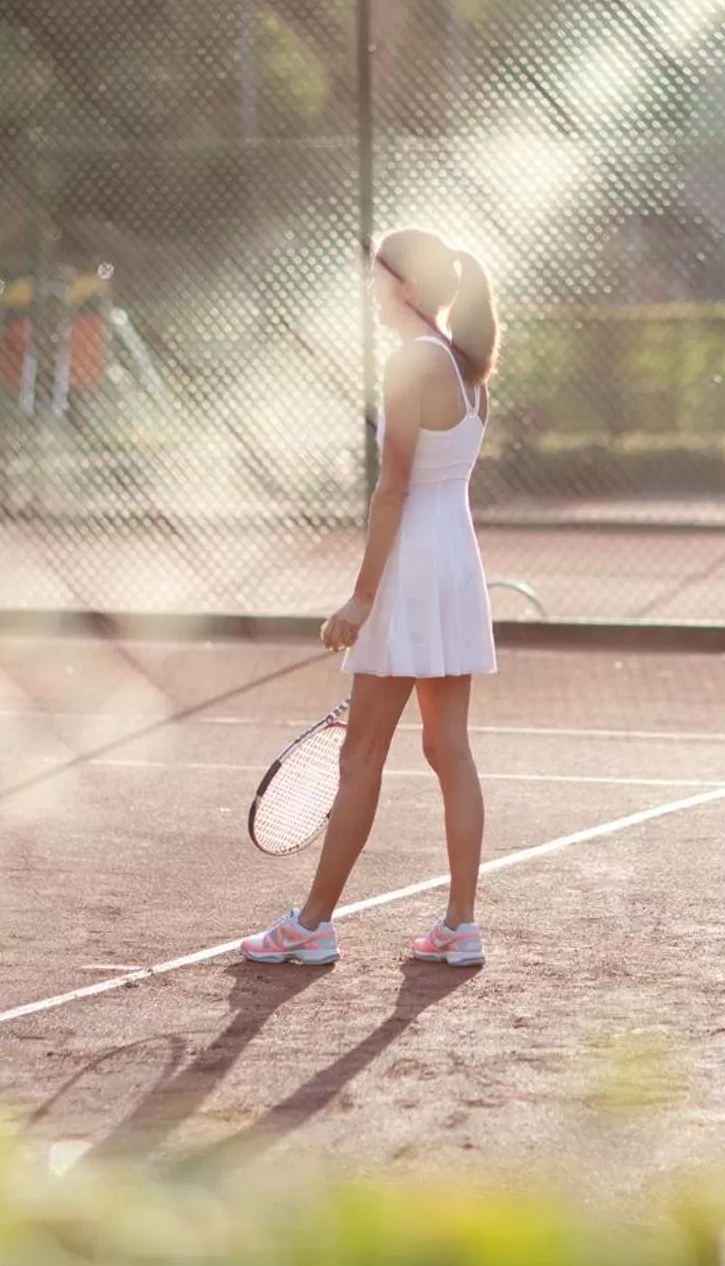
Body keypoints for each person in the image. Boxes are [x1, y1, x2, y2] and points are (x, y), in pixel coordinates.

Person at [240, 228, 499, 969]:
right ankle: (460, 924)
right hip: (455, 558)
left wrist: (360, 599)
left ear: (406, 289)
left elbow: (393, 488)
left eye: (377, 279)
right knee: (449, 748)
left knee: (361, 756)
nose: (369, 292)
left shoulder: (410, 361)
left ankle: (313, 925)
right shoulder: (467, 366)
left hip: (413, 563)